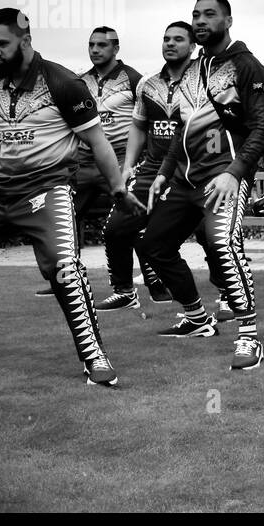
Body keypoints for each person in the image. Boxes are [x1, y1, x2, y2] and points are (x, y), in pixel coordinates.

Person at [0, 8, 138, 385]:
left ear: (26, 41)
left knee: (65, 270)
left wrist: (117, 188)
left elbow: (97, 141)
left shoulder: (63, 83)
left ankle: (94, 356)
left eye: (2, 44)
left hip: (46, 193)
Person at [142, 0, 264, 371]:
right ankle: (198, 318)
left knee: (221, 245)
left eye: (210, 15)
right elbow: (184, 127)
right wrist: (164, 173)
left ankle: (249, 335)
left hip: (223, 178)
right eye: (196, 15)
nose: (200, 21)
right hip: (184, 180)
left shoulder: (247, 66)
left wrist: (236, 173)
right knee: (154, 244)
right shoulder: (195, 69)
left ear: (228, 20)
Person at [97, 21, 197, 312]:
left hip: (190, 172)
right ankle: (124, 291)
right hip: (151, 169)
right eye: (166, 39)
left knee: (210, 238)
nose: (170, 44)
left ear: (192, 47)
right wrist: (128, 166)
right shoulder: (148, 84)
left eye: (178, 39)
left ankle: (228, 297)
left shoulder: (202, 84)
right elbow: (139, 128)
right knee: (116, 229)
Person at [34, 27, 141, 296]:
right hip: (82, 160)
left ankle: (152, 283)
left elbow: (145, 123)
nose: (95, 49)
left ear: (116, 48)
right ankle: (66, 280)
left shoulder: (134, 79)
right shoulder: (78, 81)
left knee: (132, 220)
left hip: (117, 159)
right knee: (64, 219)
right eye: (91, 44)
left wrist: (136, 160)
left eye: (102, 45)